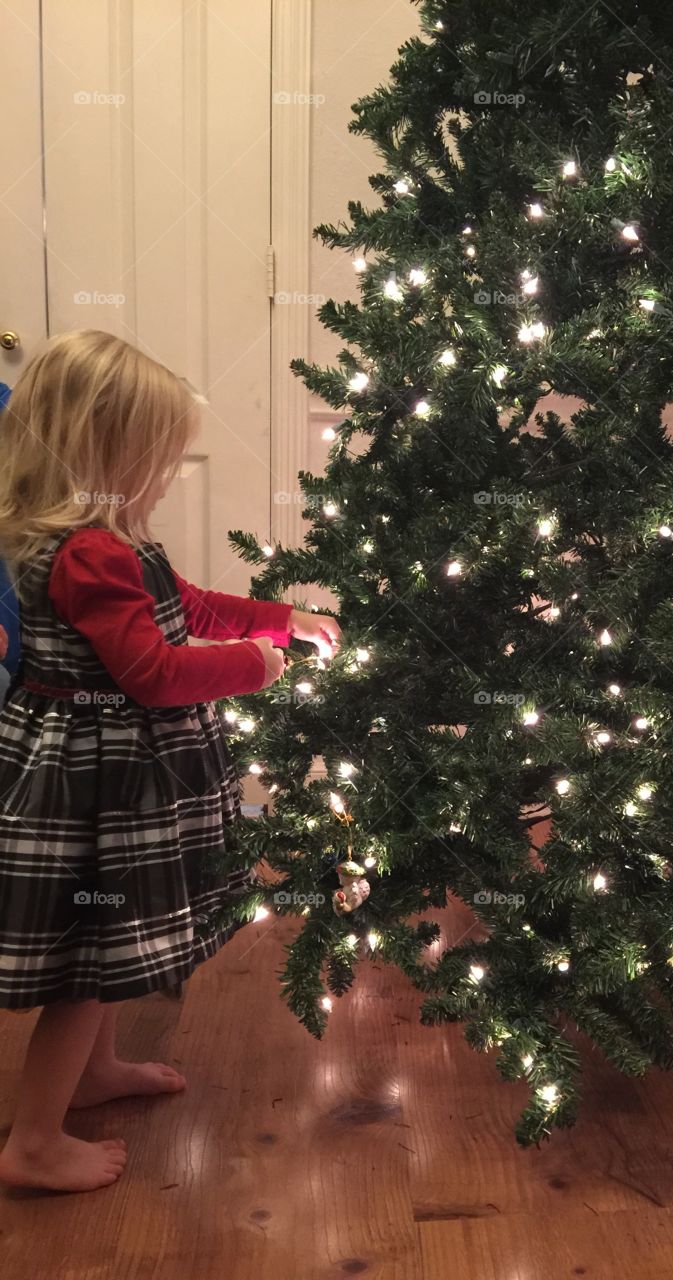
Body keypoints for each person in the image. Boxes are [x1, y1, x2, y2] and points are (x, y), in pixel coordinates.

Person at [0, 330, 340, 1192]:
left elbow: (187, 604)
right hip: (97, 783)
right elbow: (151, 673)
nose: (159, 475)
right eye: (151, 456)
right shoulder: (86, 555)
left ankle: (95, 1071)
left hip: (113, 773)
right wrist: (259, 666)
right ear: (100, 452)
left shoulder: (115, 543)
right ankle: (33, 1140)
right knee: (85, 964)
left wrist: (279, 618)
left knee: (103, 948)